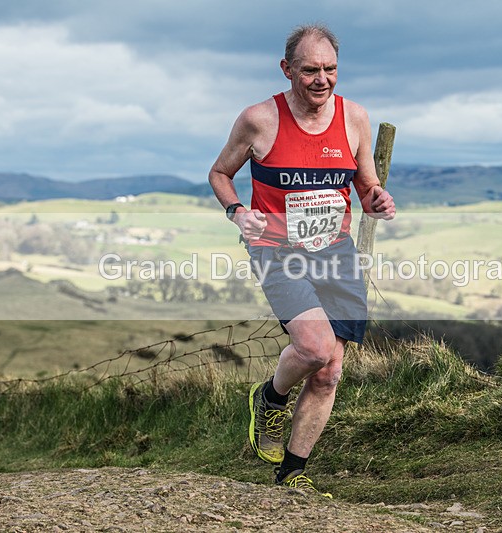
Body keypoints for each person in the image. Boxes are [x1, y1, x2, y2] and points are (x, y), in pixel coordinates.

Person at [208, 23, 396, 497]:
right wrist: (238, 212)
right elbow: (220, 173)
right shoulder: (258, 119)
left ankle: (292, 473)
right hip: (277, 250)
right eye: (310, 70)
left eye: (330, 69)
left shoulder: (354, 117)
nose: (321, 79)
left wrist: (376, 199)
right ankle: (270, 397)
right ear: (287, 69)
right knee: (313, 349)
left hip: (335, 251)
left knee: (330, 371)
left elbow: (365, 183)